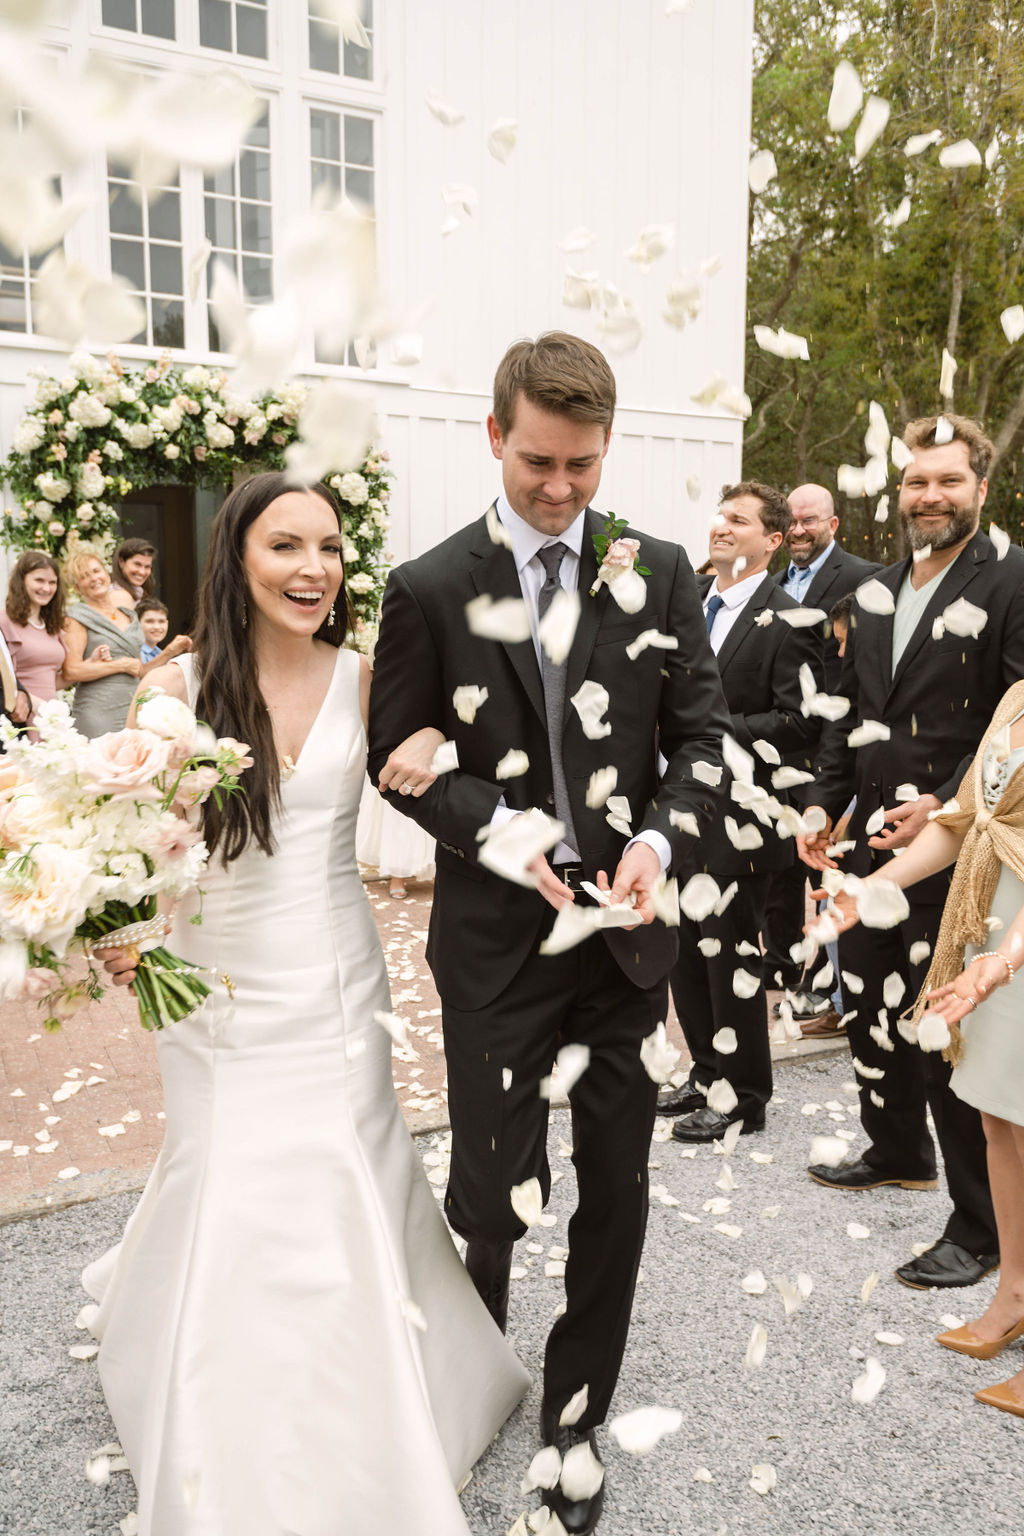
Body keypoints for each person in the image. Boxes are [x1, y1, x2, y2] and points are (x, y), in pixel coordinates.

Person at [87, 472, 529, 1536]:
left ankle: (377, 1400)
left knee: (344, 1173)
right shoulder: (174, 691)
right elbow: (120, 844)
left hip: (333, 976)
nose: (314, 570)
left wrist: (433, 744)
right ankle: (217, 1416)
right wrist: (117, 925)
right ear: (239, 557)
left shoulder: (371, 678)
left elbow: (437, 760)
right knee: (228, 1176)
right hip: (213, 984)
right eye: (287, 546)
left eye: (329, 548)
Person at [368, 331, 730, 1535]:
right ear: (493, 436)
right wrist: (508, 830)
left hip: (625, 945)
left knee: (614, 1190)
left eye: (580, 463)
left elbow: (701, 740)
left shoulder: (662, 571)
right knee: (490, 1193)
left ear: (604, 446)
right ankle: (471, 1398)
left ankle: (575, 1417)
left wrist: (661, 842)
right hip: (494, 953)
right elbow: (397, 759)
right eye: (536, 462)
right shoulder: (424, 584)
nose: (560, 489)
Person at [798, 413, 1024, 1290]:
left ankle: (980, 1228)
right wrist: (822, 804)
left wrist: (954, 798)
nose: (929, 497)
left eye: (947, 482)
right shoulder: (877, 589)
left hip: (964, 850)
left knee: (945, 1033)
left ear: (981, 487)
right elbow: (851, 716)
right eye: (916, 483)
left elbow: (1016, 717)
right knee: (870, 1001)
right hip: (866, 843)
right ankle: (895, 1149)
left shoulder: (1011, 579)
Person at [816, 678, 1024, 1418]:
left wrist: (1003, 961)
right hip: (991, 920)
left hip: (1015, 945)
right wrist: (870, 889)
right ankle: (1014, 1291)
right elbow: (963, 818)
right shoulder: (1012, 698)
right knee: (999, 1117)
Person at [657, 481, 823, 1141]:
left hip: (744, 820)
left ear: (773, 540)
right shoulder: (691, 602)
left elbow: (801, 721)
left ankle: (744, 1095)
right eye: (720, 515)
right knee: (685, 956)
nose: (722, 527)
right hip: (679, 811)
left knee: (730, 959)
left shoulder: (789, 619)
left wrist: (714, 727)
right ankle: (705, 1071)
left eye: (740, 520)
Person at [762, 486, 883, 1009]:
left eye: (810, 520)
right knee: (786, 863)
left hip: (836, 742)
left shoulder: (865, 577)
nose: (799, 529)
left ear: (833, 525)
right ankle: (784, 960)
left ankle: (831, 978)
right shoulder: (775, 581)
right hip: (784, 741)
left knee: (830, 863)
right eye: (792, 521)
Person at [63, 552, 189, 738]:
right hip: (98, 711)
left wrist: (170, 652)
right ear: (77, 587)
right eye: (84, 576)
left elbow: (139, 670)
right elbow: (71, 671)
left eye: (96, 571)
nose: (94, 578)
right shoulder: (77, 617)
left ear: (107, 574)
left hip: (133, 707)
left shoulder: (128, 616)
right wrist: (119, 665)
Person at [0, 552, 66, 730]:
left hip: (51, 718)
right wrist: (37, 706)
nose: (46, 588)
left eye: (52, 582)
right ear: (22, 581)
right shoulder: (4, 622)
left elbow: (52, 678)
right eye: (39, 580)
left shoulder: (52, 627)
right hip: (21, 716)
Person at [109, 536, 156, 608]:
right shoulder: (119, 596)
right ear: (121, 562)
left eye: (147, 567)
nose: (142, 572)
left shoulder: (138, 591)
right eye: (137, 564)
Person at [136, 598, 170, 663]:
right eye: (150, 621)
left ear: (167, 623)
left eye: (161, 621)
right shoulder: (134, 654)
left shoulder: (160, 653)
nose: (157, 627)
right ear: (137, 623)